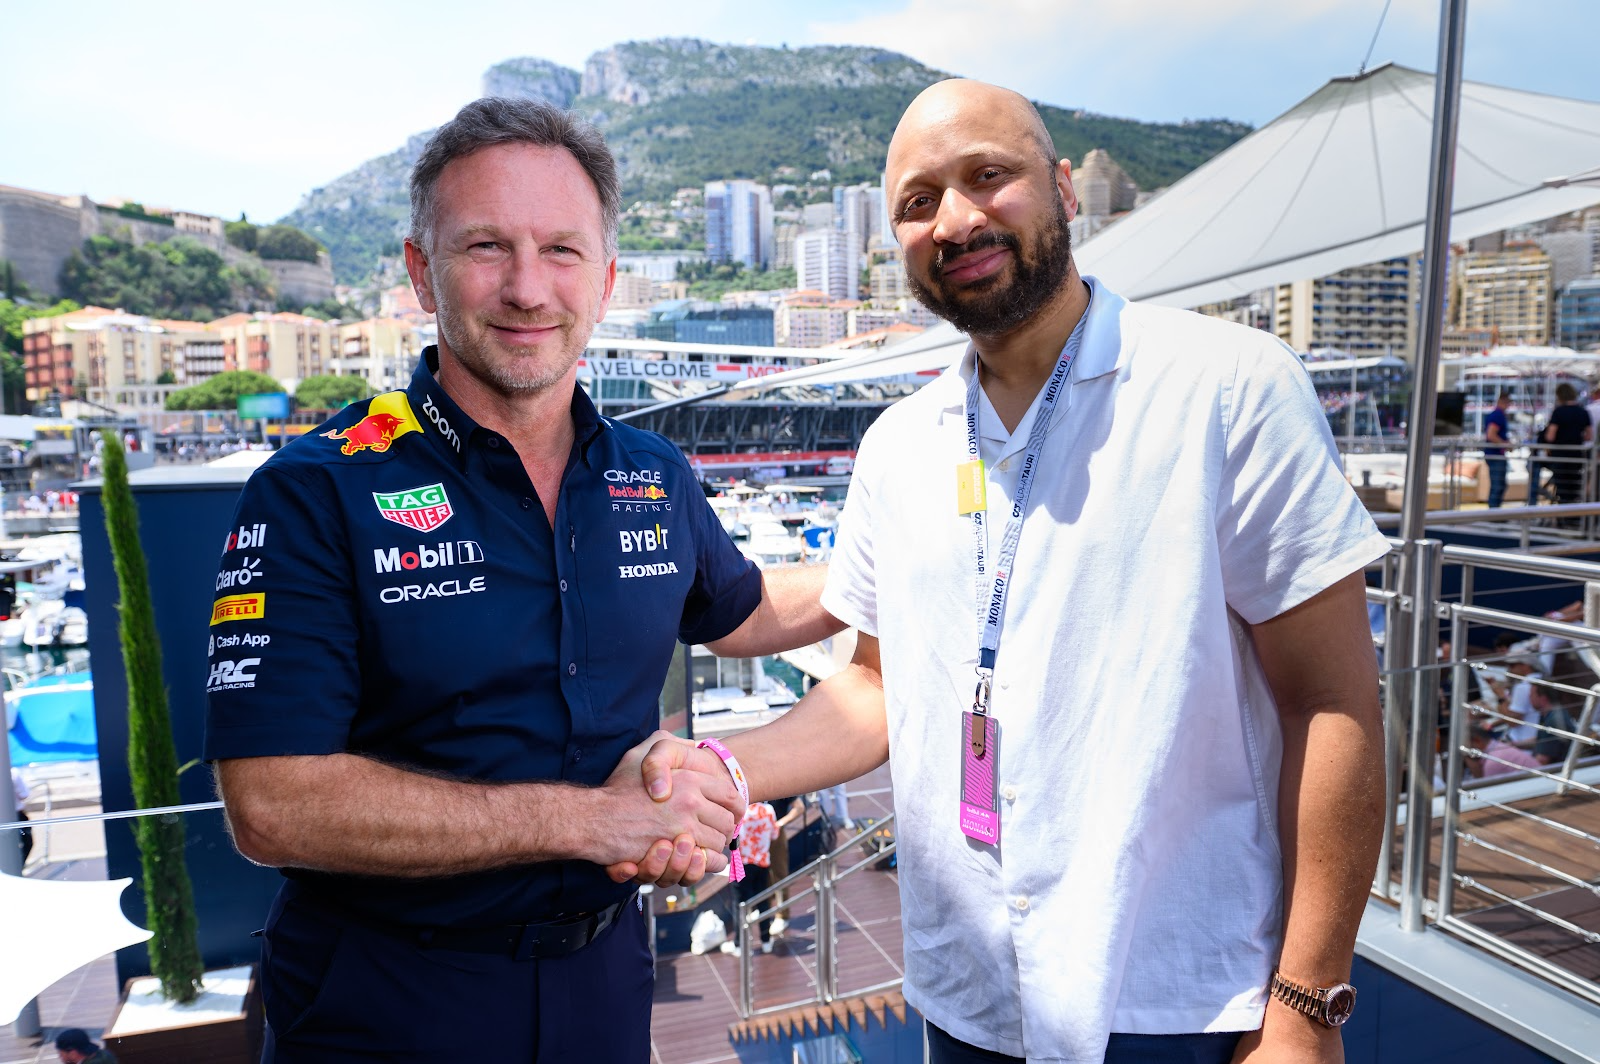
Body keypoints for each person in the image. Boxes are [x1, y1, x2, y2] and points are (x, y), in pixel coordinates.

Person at [627, 79, 1388, 1063]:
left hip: (1181, 998)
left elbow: (1332, 704)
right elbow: (872, 687)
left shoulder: (1227, 389)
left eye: (989, 176)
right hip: (970, 995)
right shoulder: (897, 445)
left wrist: (1305, 1004)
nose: (956, 218)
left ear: (1064, 188)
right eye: (916, 200)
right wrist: (716, 769)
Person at [206, 97, 839, 1063]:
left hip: (606, 988)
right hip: (386, 1002)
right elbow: (272, 803)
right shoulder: (315, 490)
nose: (528, 288)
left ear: (608, 279)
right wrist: (595, 821)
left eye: (562, 251)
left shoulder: (651, 474)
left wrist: (913, 559)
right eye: (487, 247)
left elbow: (748, 609)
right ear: (423, 271)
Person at [1541, 382, 1592, 507]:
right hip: (1577, 457)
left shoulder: (1559, 412)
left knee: (1562, 489)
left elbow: (1550, 436)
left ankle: (1562, 517)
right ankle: (1572, 518)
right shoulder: (1583, 412)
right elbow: (1589, 436)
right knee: (1574, 489)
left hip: (1560, 456)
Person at [1482, 391, 1511, 508]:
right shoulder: (1498, 415)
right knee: (1498, 485)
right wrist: (1505, 444)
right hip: (1495, 455)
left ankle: (1494, 512)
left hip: (1494, 455)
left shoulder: (1496, 415)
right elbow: (1491, 435)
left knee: (1499, 485)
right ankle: (1494, 513)